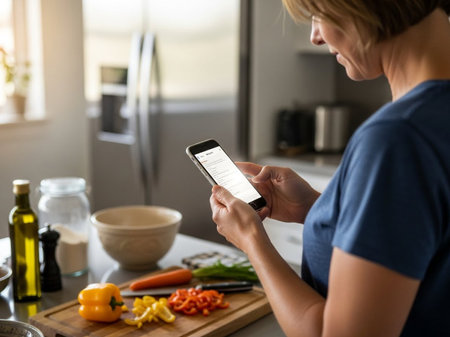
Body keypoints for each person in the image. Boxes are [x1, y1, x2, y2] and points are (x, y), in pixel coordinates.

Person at [209, 1, 450, 336]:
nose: (315, 36)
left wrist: (251, 239)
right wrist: (318, 208)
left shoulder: (398, 138)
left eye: (317, 16)